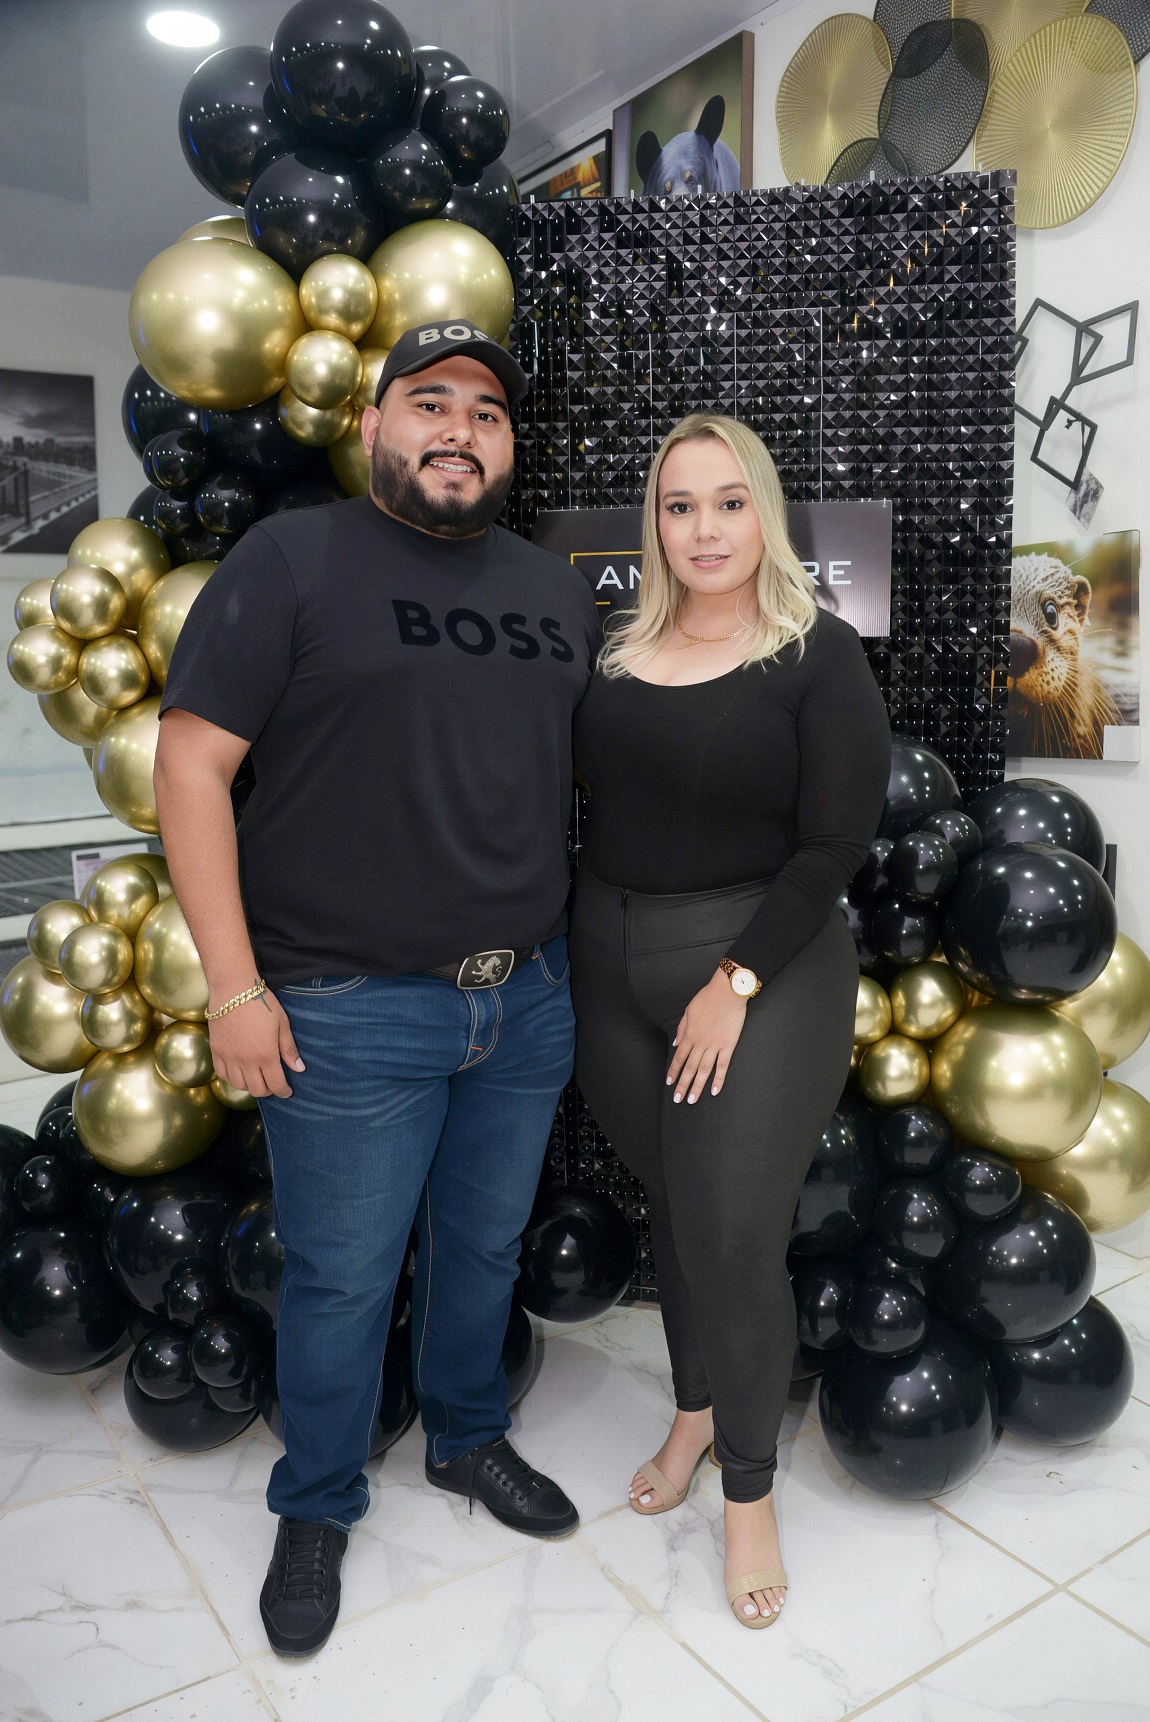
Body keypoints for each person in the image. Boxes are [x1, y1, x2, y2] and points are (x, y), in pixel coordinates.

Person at [154, 321, 599, 1660]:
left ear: (508, 446)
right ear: (372, 428)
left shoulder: (554, 591)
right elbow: (189, 767)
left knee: (481, 1249)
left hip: (522, 999)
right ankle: (316, 1502)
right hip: (347, 1008)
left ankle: (464, 1435)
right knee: (343, 1278)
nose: (459, 428)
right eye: (430, 402)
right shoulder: (290, 559)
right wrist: (234, 989)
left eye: (486, 412)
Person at [570, 413, 891, 1630]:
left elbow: (833, 845)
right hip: (609, 964)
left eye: (727, 502)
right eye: (678, 505)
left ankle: (748, 1495)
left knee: (734, 1236)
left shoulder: (817, 654)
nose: (703, 529)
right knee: (678, 1206)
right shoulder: (614, 651)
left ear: (764, 513)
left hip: (762, 969)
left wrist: (733, 980)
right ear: (653, 525)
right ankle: (695, 1412)